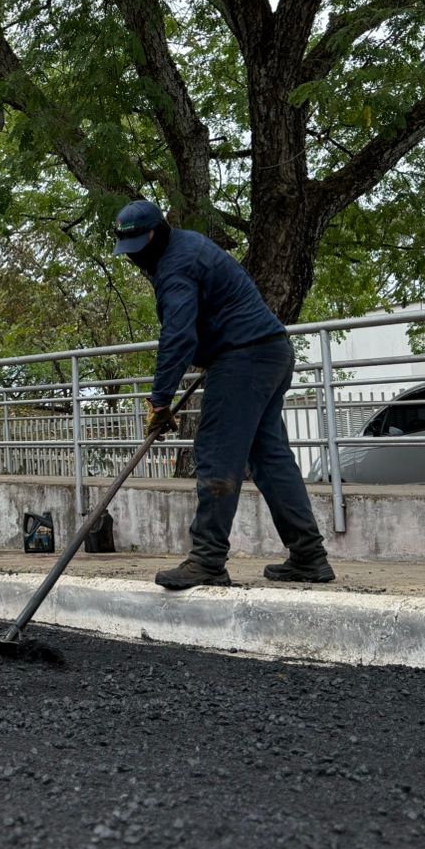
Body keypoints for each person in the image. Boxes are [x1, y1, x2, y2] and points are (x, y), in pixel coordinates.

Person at [113, 199, 334, 589]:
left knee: (216, 453)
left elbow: (178, 336)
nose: (135, 258)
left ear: (156, 234)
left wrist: (160, 400)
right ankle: (309, 557)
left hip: (244, 358)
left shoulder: (176, 265)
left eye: (138, 248)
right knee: (270, 459)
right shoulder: (189, 246)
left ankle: (207, 560)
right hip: (270, 351)